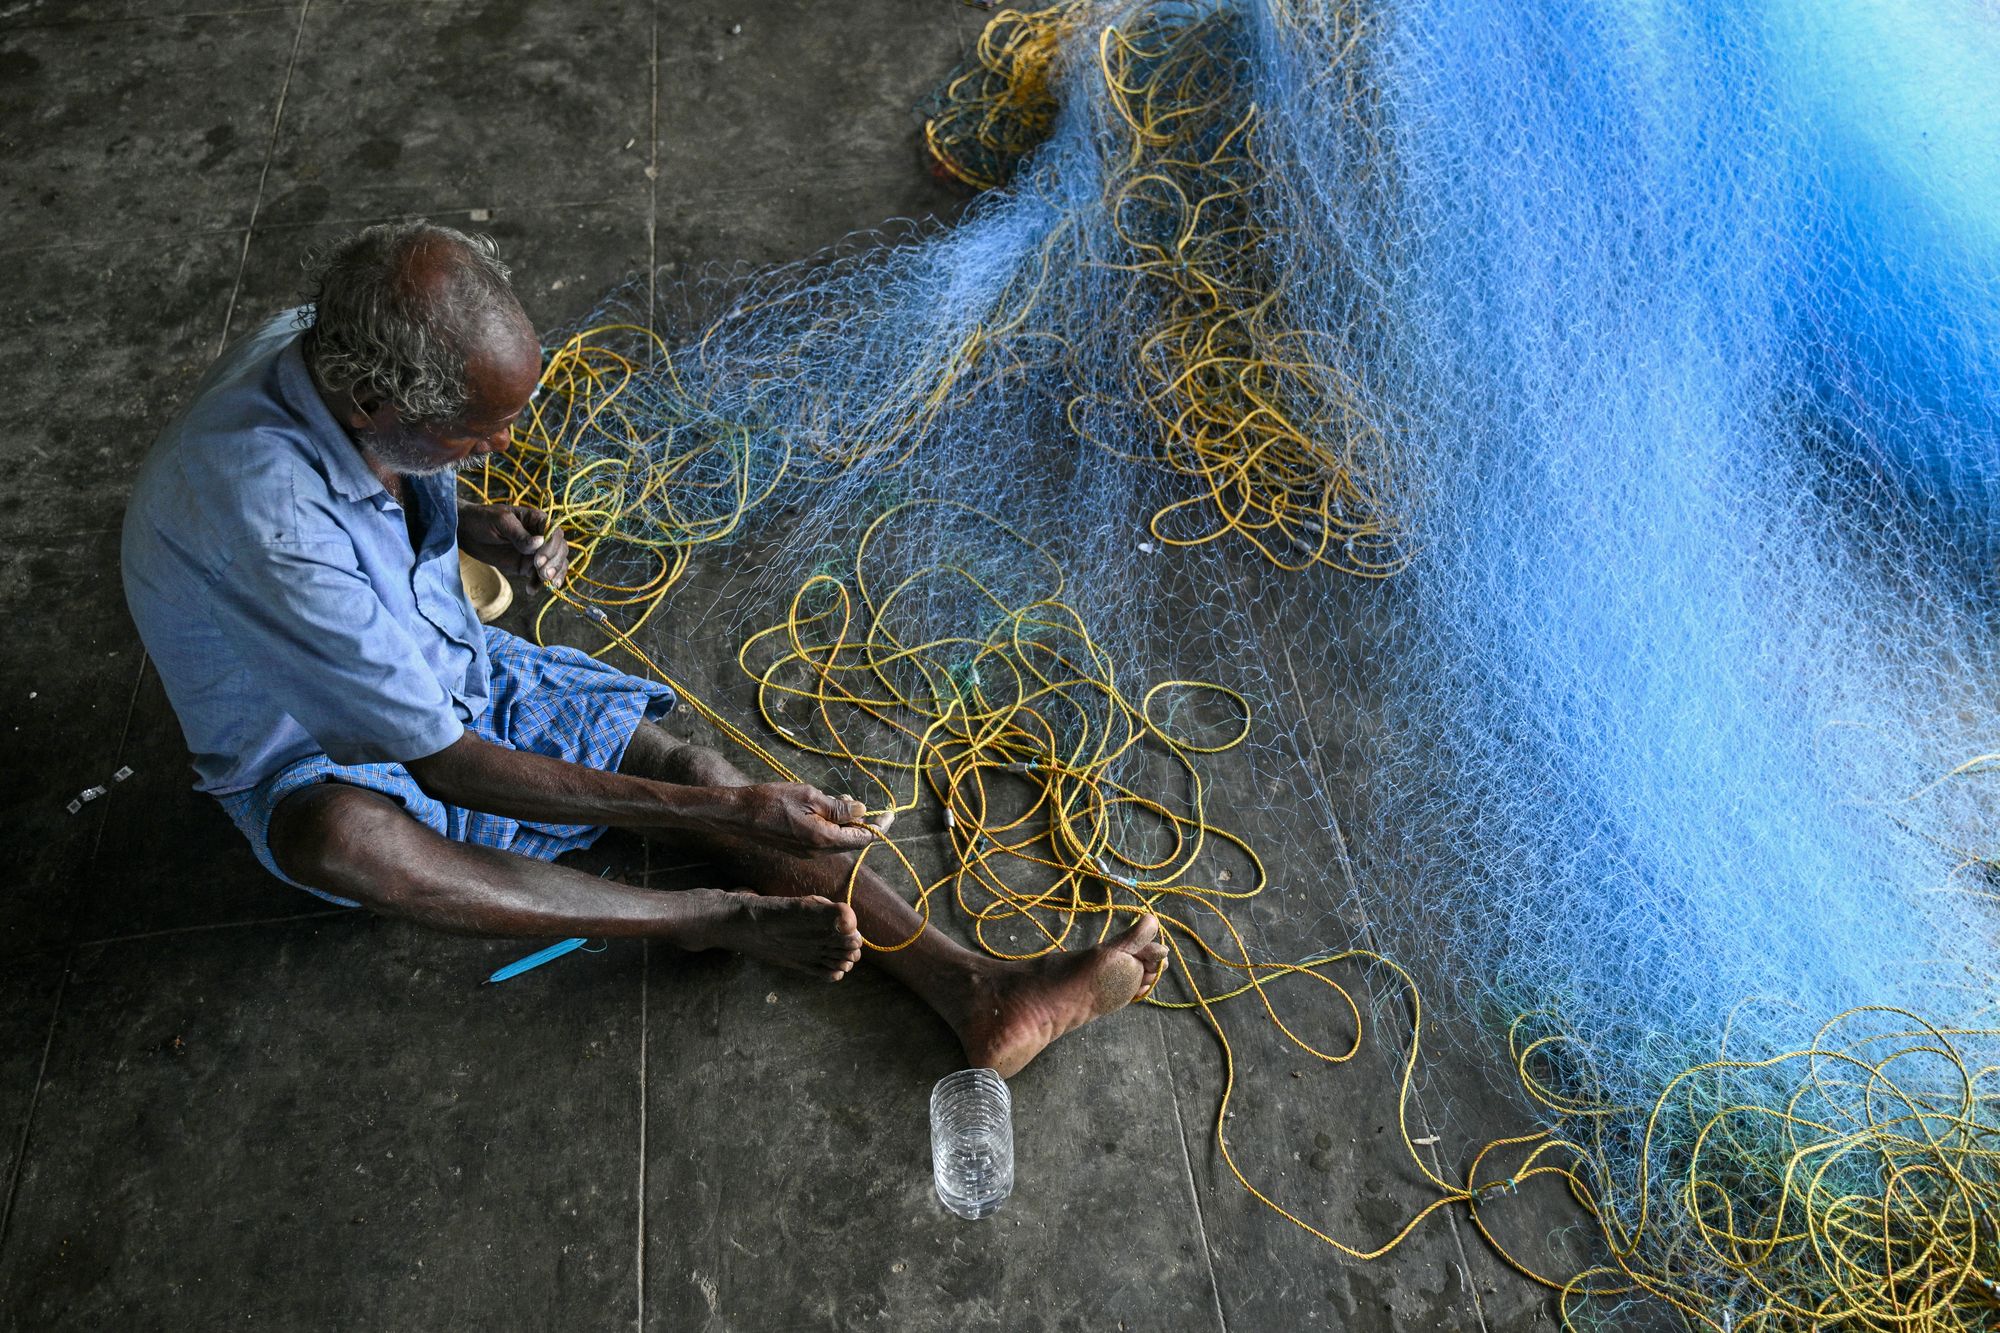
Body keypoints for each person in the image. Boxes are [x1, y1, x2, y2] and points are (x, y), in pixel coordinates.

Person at [121, 221, 1163, 1077]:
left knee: (682, 765)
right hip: (308, 751)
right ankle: (693, 918)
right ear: (375, 405)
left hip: (432, 652)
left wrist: (465, 514)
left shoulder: (320, 340)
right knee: (353, 843)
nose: (503, 445)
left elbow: (385, 481)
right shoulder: (263, 511)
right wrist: (734, 823)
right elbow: (444, 761)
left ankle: (973, 989)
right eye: (475, 435)